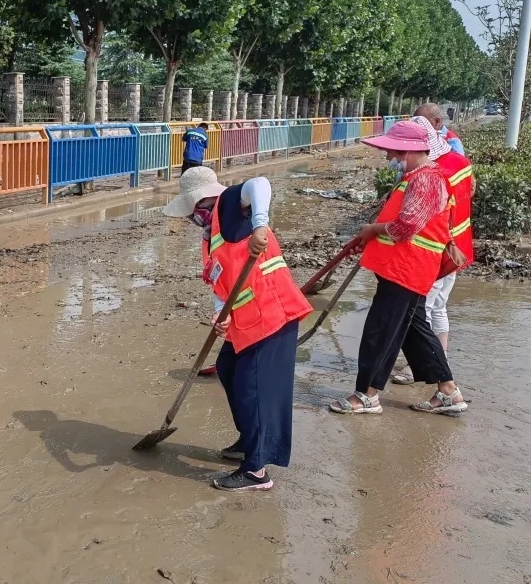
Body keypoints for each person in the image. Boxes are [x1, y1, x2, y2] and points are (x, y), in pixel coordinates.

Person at [163, 167, 312, 491]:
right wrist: (221, 315)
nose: (191, 219)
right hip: (246, 320)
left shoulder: (228, 204)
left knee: (251, 387)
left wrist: (259, 223)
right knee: (229, 368)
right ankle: (250, 439)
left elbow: (260, 183)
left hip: (272, 314)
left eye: (191, 212)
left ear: (200, 202)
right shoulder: (212, 234)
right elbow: (221, 284)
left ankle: (256, 471)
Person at [330, 118, 468, 416]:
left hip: (406, 271)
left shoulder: (427, 179)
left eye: (393, 152)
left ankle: (367, 395)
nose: (389, 157)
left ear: (408, 151)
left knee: (382, 332)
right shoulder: (417, 178)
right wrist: (369, 236)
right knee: (414, 331)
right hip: (405, 269)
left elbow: (406, 227)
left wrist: (372, 229)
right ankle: (448, 391)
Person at [391, 114, 475, 384]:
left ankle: (432, 367)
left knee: (423, 310)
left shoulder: (433, 173)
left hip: (435, 250)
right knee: (436, 307)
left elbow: (418, 219)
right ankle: (438, 361)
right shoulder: (460, 163)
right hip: (454, 246)